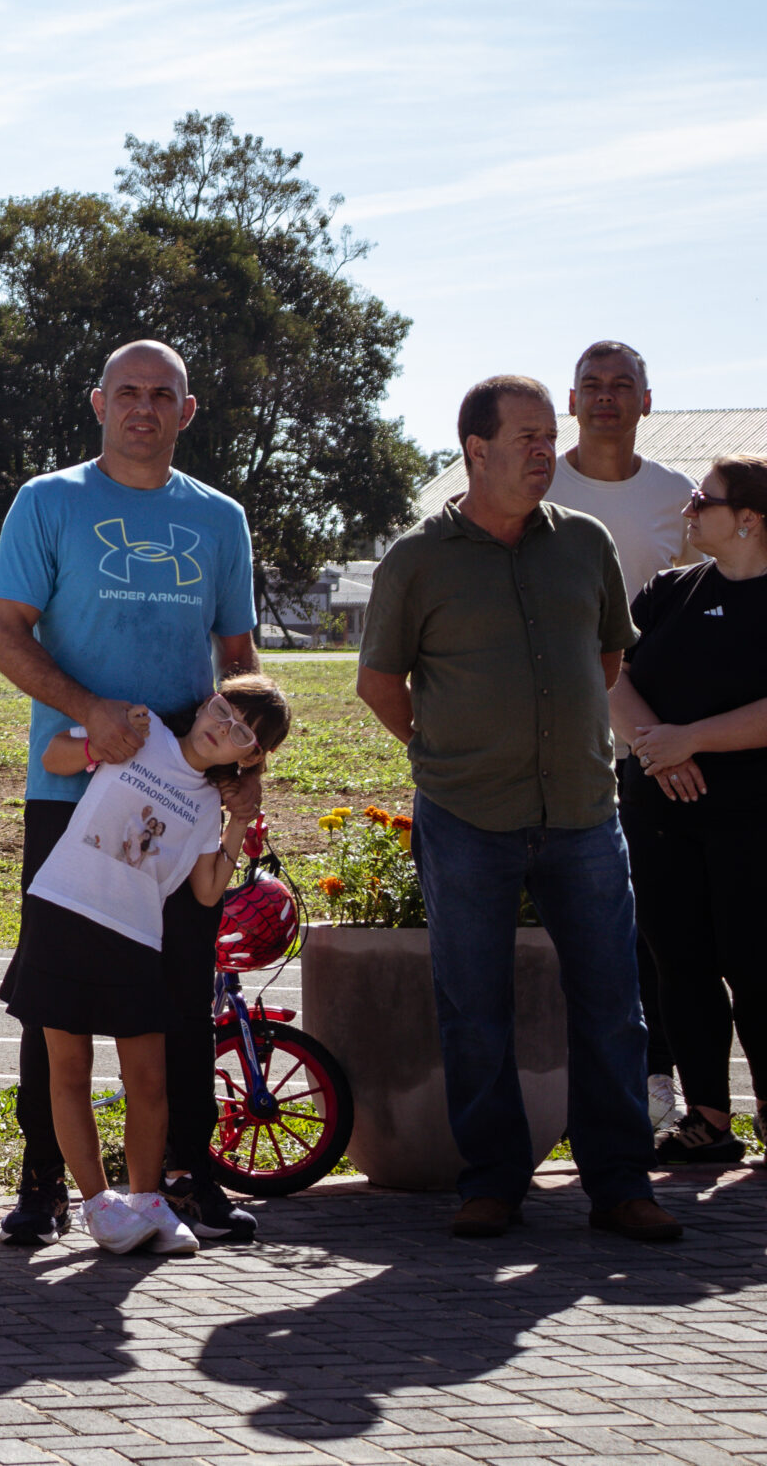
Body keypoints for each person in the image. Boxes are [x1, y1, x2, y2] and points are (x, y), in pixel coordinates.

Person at [357, 374, 680, 1242]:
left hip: (583, 811)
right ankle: (493, 1182)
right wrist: (444, 752)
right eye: (528, 437)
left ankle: (620, 1184)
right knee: (475, 1008)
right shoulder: (416, 558)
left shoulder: (586, 542)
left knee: (613, 1006)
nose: (546, 450)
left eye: (547, 435)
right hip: (466, 816)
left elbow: (607, 660)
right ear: (478, 449)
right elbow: (379, 683)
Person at [0, 340, 261, 1249]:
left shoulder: (219, 518)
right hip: (72, 793)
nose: (145, 407)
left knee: (179, 992)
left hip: (181, 806)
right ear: (99, 403)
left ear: (187, 410)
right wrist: (89, 711)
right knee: (56, 998)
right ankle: (43, 1182)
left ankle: (186, 1174)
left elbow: (240, 662)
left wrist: (245, 778)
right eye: (128, 392)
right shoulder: (47, 501)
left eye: (163, 394)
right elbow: (4, 635)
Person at [5, 678, 291, 1255]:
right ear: (207, 701)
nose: (223, 728)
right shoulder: (146, 730)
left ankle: (145, 1201)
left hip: (138, 934)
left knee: (149, 1081)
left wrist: (238, 821)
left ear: (250, 757)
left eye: (242, 734)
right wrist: (99, 743)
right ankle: (97, 1205)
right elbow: (53, 756)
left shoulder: (210, 803)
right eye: (223, 710)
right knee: (69, 1070)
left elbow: (207, 890)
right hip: (64, 910)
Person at [548, 340, 703, 1130]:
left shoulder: (679, 497)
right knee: (578, 924)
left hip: (653, 745)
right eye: (592, 385)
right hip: (552, 738)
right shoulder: (540, 484)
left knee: (656, 921)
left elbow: (711, 602)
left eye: (622, 385)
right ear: (571, 401)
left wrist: (662, 734)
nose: (606, 396)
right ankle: (570, 1095)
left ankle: (658, 1083)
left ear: (646, 400)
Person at [610, 455, 767, 1163]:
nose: (688, 508)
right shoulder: (668, 591)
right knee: (680, 962)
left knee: (756, 962)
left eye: (705, 499)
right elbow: (609, 672)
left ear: (750, 518)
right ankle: (707, 1118)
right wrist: (658, 750)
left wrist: (692, 739)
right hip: (660, 811)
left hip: (752, 816)